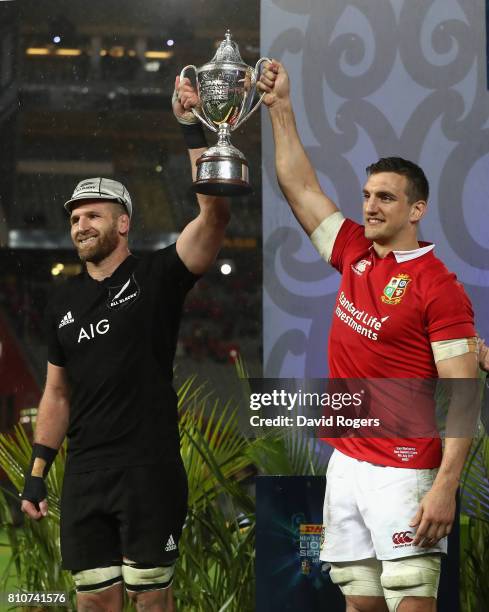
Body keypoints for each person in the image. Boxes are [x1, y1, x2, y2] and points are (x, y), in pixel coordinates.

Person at [258, 62, 479, 612]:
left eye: (385, 197)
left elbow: (464, 397)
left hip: (405, 468)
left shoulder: (440, 288)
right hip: (347, 464)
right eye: (366, 195)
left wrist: (445, 485)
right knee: (359, 604)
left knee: (410, 604)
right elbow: (299, 185)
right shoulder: (354, 250)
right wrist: (281, 106)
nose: (370, 206)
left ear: (416, 209)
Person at [20, 77, 229, 612]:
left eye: (93, 214)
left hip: (149, 470)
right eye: (74, 218)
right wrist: (37, 474)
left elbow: (213, 217)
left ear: (123, 222)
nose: (80, 224)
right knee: (95, 603)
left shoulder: (158, 273)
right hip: (87, 474)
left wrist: (191, 130)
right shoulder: (62, 301)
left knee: (150, 599)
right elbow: (57, 394)